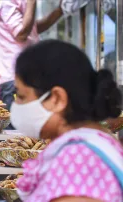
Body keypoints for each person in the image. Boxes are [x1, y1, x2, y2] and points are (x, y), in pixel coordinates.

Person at [11, 40, 123, 202]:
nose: (17, 105)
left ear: (57, 99)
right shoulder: (96, 139)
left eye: (21, 96)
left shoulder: (78, 159)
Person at [0, 0, 63, 111]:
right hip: (14, 78)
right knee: (18, 127)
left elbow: (32, 28)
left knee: (32, 125)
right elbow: (21, 33)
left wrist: (61, 10)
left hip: (27, 76)